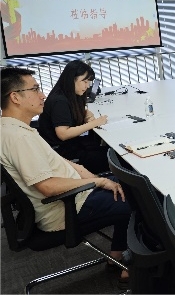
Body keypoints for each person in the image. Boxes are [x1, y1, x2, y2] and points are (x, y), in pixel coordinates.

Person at [1, 67, 131, 283]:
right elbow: (47, 187)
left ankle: (117, 255)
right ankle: (139, 266)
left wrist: (90, 176)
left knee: (129, 184)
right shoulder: (18, 138)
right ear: (15, 97)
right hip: (67, 205)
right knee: (143, 199)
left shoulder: (14, 129)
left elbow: (58, 162)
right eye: (35, 89)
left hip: (74, 194)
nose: (43, 95)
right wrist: (98, 181)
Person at [39, 60, 109, 173]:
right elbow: (63, 134)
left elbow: (75, 110)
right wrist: (94, 123)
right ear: (72, 79)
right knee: (114, 156)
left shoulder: (70, 93)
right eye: (84, 81)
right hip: (63, 153)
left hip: (73, 144)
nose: (87, 86)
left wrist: (86, 114)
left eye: (89, 82)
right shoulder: (59, 101)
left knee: (109, 150)